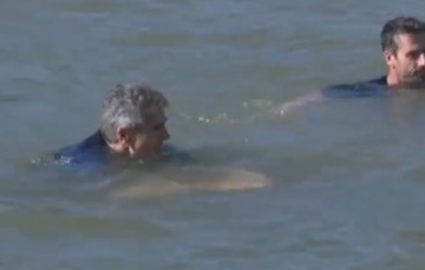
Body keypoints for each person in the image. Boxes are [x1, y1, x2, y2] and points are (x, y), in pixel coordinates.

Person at [51, 83, 270, 197]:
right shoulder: (82, 168)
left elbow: (199, 170)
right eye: (158, 128)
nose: (167, 135)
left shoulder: (159, 152)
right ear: (124, 136)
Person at [278, 16, 425, 113]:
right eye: (413, 55)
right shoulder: (367, 92)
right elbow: (317, 97)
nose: (424, 62)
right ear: (390, 58)